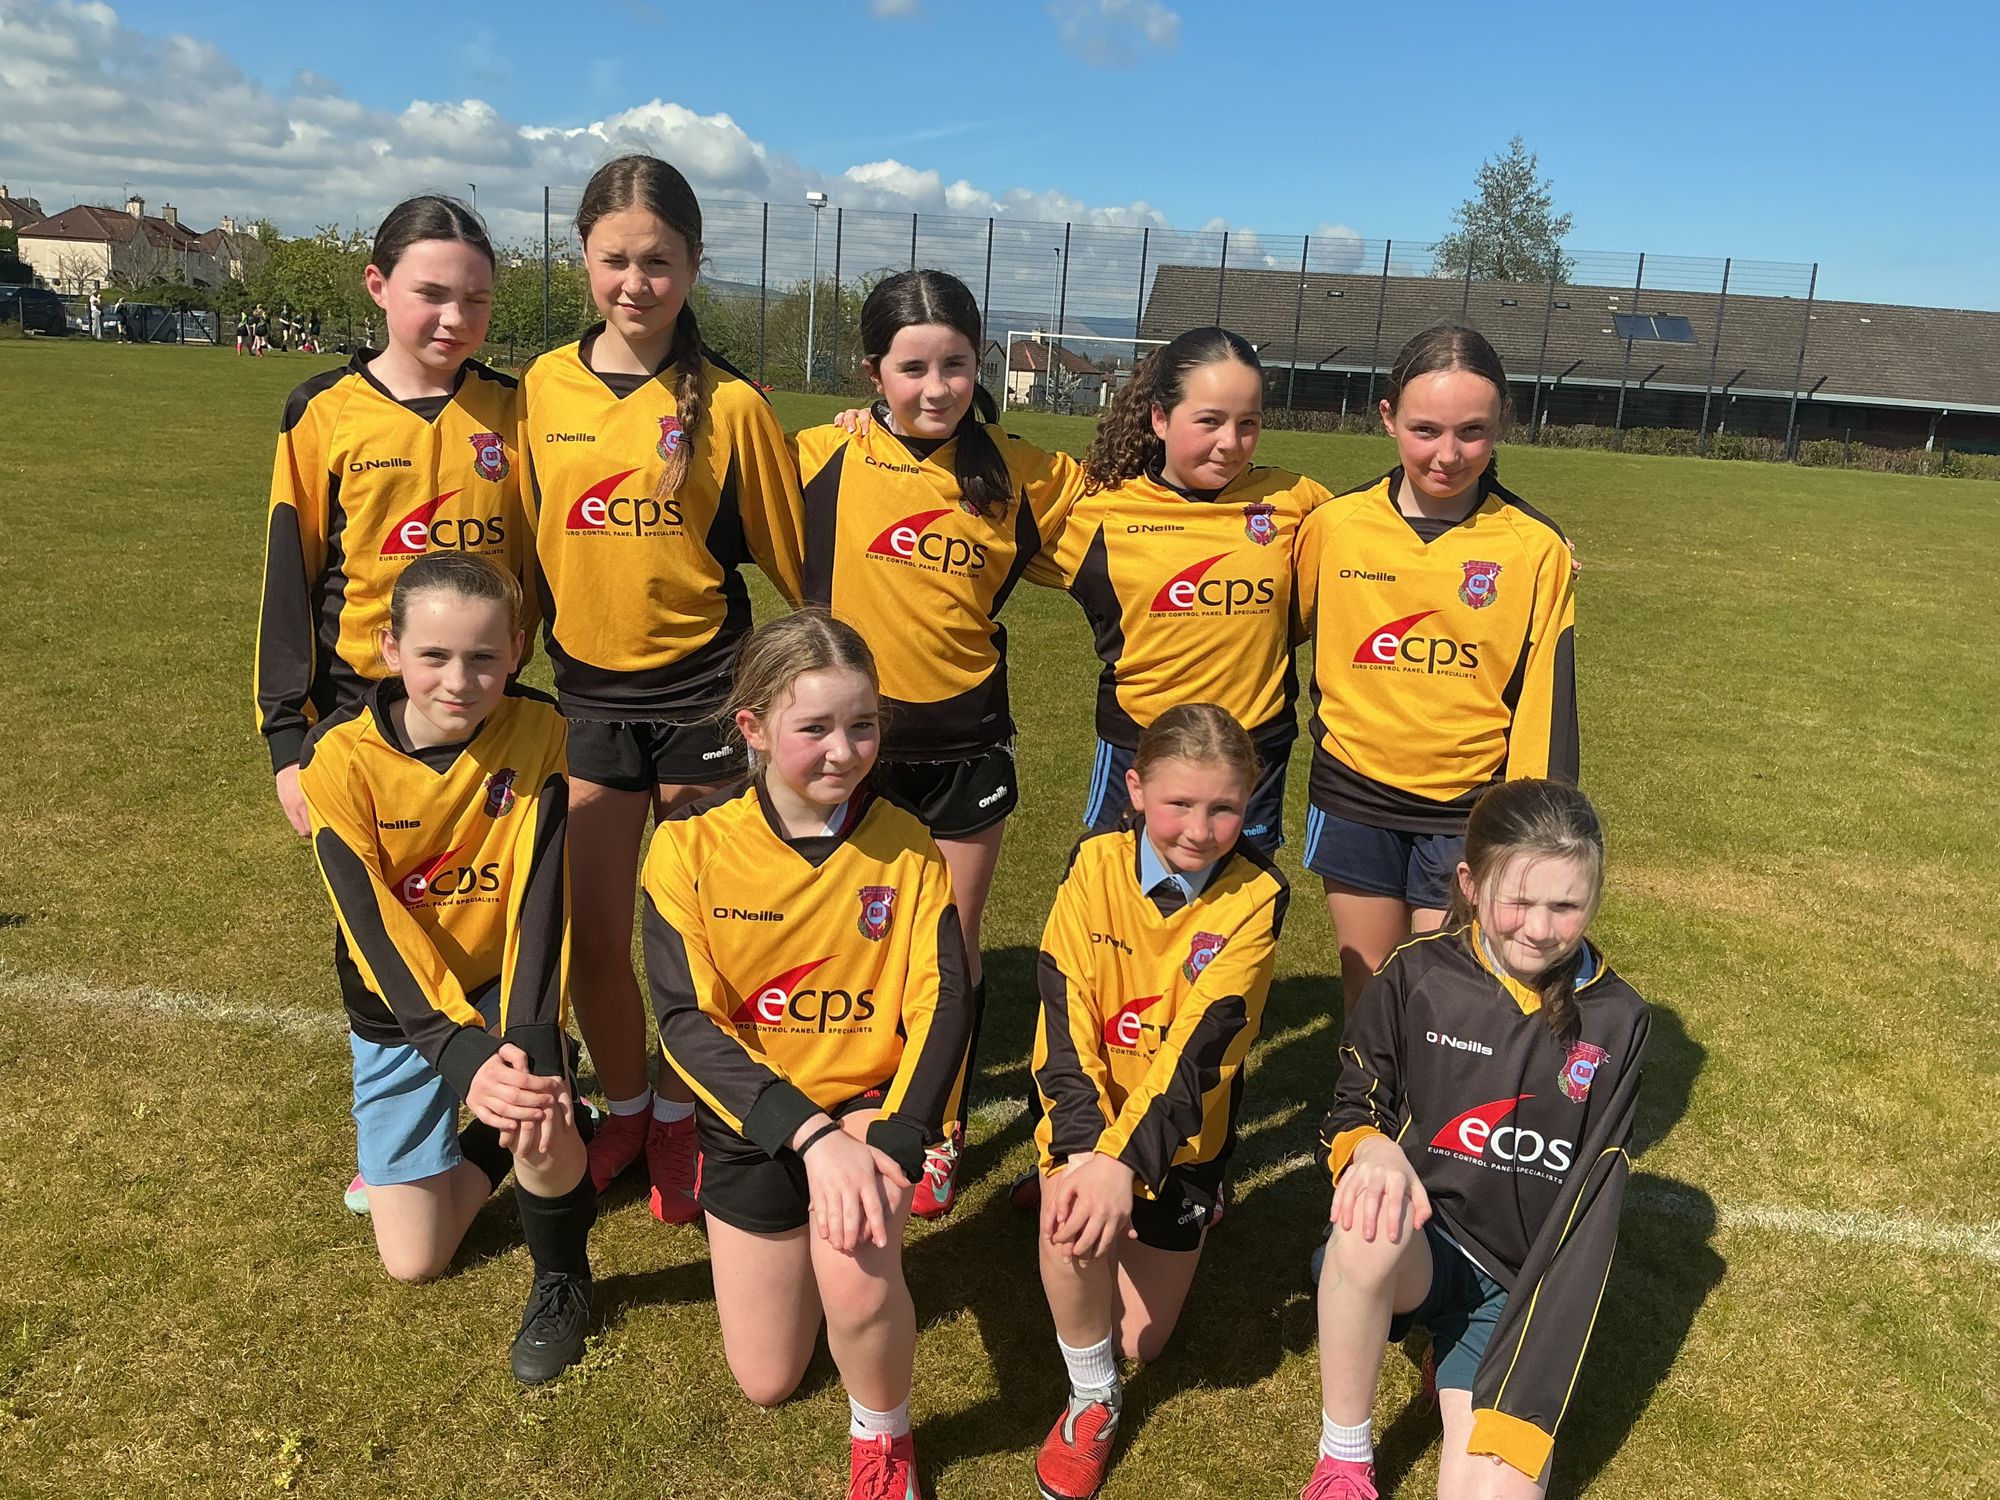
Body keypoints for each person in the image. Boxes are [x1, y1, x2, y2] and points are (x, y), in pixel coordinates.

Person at [517, 153, 806, 1222]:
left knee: (698, 937)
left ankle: (689, 1118)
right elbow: (527, 546)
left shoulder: (731, 405)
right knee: (593, 933)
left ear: (693, 264)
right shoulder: (543, 388)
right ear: (583, 259)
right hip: (587, 704)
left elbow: (801, 571)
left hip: (703, 704)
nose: (635, 283)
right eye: (615, 260)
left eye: (658, 262)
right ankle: (631, 1107)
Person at [642, 609, 970, 1500]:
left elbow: (944, 1000)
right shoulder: (688, 844)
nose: (844, 751)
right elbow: (685, 1022)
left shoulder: (906, 844)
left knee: (859, 1276)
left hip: (864, 1106)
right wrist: (807, 1137)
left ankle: (884, 1437)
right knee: (767, 1379)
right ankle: (814, 1256)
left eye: (862, 725)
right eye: (815, 728)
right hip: (757, 1119)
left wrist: (897, 1136)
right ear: (752, 728)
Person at [254, 194, 529, 1208]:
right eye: (431, 294)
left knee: (489, 902)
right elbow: (289, 578)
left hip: (487, 708)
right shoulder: (321, 411)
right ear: (377, 287)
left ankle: (514, 1089)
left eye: (477, 300)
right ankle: (403, 1130)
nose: (455, 318)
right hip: (358, 724)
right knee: (376, 917)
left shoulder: (514, 411)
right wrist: (288, 740)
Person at [799, 268, 1085, 1217]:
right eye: (911, 368)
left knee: (949, 952)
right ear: (872, 371)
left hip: (966, 749)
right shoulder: (819, 456)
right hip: (848, 754)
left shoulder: (1023, 474)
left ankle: (936, 1127)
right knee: (848, 937)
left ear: (980, 363)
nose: (935, 388)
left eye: (955, 365)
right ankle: (840, 1098)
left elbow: (1141, 520)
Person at [1302, 778, 1647, 1500]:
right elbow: (1354, 1102)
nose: (1540, 928)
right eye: (1518, 900)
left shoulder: (1620, 1021)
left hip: (1514, 1296)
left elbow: (1588, 1229)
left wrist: (1528, 1390)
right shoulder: (1418, 973)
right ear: (1469, 882)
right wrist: (1373, 1149)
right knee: (1368, 1214)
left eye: (1566, 906)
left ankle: (1456, 1356)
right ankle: (1344, 1457)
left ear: (1595, 897)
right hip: (1418, 1249)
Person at [299, 552, 597, 1385]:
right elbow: (372, 924)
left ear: (517, 653)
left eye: (483, 657)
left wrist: (527, 1037)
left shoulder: (541, 730)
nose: (459, 680)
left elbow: (543, 891)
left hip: (505, 988)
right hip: (402, 1011)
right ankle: (527, 1135)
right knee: (415, 1260)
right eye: (434, 655)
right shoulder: (338, 758)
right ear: (390, 649)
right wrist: (456, 1050)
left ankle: (563, 1277)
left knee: (534, 1099)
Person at [1028, 703, 1286, 1500]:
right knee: (1072, 1227)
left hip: (1180, 1135)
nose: (1200, 830)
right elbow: (1064, 1017)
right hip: (1089, 1122)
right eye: (1179, 803)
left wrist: (1125, 1163)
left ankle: (1199, 1198)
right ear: (1135, 789)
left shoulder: (1258, 896)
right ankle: (1092, 1399)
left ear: (1249, 801)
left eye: (1224, 808)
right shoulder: (1093, 864)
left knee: (1144, 1340)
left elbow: (1200, 1054)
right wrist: (1086, 1153)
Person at [1294, 325, 1577, 1011]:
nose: (1448, 455)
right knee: (1369, 991)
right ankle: (1363, 1089)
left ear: (1502, 422)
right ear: (1387, 417)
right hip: (1354, 793)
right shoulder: (1334, 528)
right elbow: (1265, 630)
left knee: (1444, 999)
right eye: (1425, 430)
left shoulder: (1535, 548)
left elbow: (1546, 702)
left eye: (1471, 432)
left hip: (1467, 809)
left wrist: (1537, 829)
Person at [1027, 327, 1331, 852]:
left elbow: (1369, 554)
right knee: (1117, 889)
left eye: (1248, 423)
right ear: (1160, 418)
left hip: (1253, 749)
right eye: (1209, 421)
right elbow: (987, 536)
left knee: (1243, 897)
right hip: (1140, 746)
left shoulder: (1296, 501)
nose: (1230, 443)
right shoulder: (1098, 511)